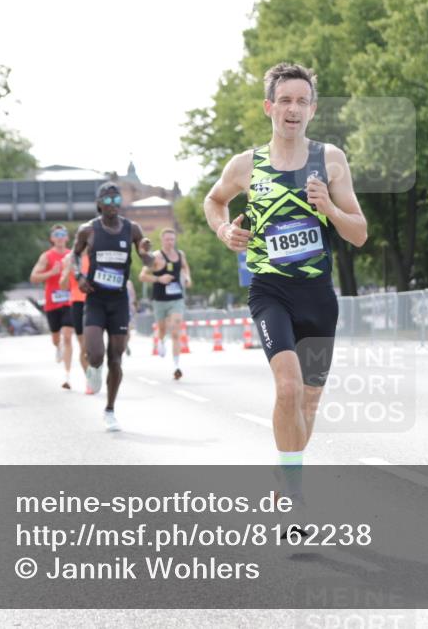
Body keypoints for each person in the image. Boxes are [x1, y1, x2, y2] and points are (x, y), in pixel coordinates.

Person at [203, 63, 367, 531]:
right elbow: (214, 201)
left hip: (317, 294)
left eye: (302, 101)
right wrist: (223, 231)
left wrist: (329, 207)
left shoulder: (330, 161)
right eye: (285, 100)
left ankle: (285, 471)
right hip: (270, 290)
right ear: (269, 107)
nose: (293, 109)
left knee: (309, 404)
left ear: (312, 109)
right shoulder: (245, 165)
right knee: (289, 389)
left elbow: (358, 235)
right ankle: (294, 498)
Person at [71, 182, 157, 431]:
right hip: (96, 298)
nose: (113, 205)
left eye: (117, 200)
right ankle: (93, 369)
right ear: (99, 204)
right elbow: (75, 255)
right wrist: (79, 276)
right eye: (107, 201)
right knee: (95, 354)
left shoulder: (132, 229)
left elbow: (148, 261)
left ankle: (109, 409)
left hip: (119, 300)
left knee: (116, 358)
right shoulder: (88, 230)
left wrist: (146, 252)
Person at [139, 228, 191, 380]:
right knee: (162, 329)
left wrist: (187, 277)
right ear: (162, 240)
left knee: (175, 331)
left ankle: (176, 365)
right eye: (167, 239)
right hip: (160, 299)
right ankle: (160, 341)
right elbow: (142, 276)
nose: (170, 242)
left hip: (177, 298)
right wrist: (158, 279)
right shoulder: (155, 257)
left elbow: (185, 267)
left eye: (172, 239)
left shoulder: (180, 255)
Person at [30, 224, 75, 389]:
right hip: (52, 302)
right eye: (57, 234)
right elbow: (34, 277)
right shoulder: (47, 256)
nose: (60, 237)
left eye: (63, 234)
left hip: (70, 301)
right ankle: (58, 347)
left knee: (68, 335)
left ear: (67, 238)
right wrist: (52, 273)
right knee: (56, 337)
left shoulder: (72, 255)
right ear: (52, 238)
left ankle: (67, 375)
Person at [60, 250, 92, 391]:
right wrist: (68, 269)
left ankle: (93, 373)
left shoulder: (96, 254)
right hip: (78, 302)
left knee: (94, 343)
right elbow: (63, 285)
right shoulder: (71, 258)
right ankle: (89, 380)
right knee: (83, 345)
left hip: (95, 301)